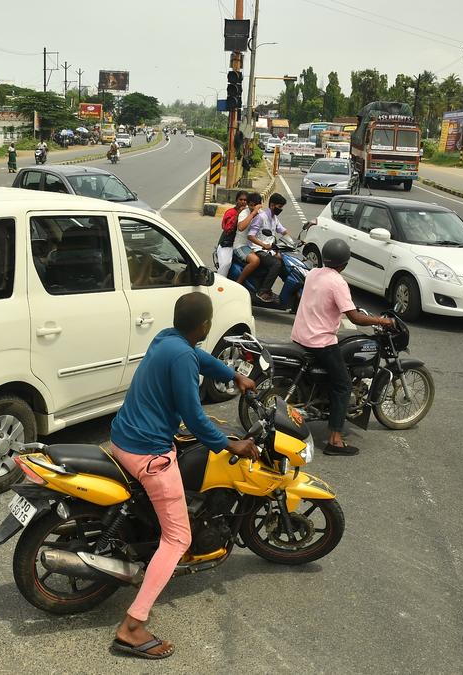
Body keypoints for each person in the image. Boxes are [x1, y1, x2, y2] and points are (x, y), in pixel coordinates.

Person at [108, 291, 259, 660]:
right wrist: (229, 445)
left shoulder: (168, 339)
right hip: (148, 452)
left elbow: (199, 357)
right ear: (205, 325)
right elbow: (193, 415)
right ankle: (131, 627)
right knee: (178, 537)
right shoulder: (182, 359)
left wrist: (233, 374)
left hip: (123, 437)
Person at [290, 239, 394, 456]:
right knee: (343, 385)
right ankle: (335, 441)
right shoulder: (338, 282)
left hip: (300, 335)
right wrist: (382, 321)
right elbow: (354, 317)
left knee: (336, 372)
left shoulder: (314, 273)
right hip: (320, 342)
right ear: (344, 263)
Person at [246, 192, 289, 303]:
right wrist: (263, 245)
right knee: (276, 264)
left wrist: (295, 241)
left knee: (285, 260)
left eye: (282, 207)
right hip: (258, 249)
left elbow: (283, 231)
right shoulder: (261, 217)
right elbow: (250, 236)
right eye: (279, 207)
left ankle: (289, 291)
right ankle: (263, 291)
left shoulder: (274, 218)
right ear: (272, 205)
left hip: (270, 249)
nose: (280, 209)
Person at [232, 193, 264, 286]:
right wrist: (253, 213)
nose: (252, 208)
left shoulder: (262, 214)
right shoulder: (244, 213)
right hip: (241, 245)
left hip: (255, 246)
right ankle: (239, 282)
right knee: (255, 261)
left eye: (255, 205)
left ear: (259, 205)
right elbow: (241, 227)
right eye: (250, 205)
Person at [214, 191, 248, 271]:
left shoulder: (248, 213)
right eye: (241, 199)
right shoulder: (230, 212)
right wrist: (238, 214)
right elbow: (227, 229)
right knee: (225, 264)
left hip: (243, 244)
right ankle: (221, 281)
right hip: (228, 243)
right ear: (236, 200)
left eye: (245, 200)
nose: (243, 202)